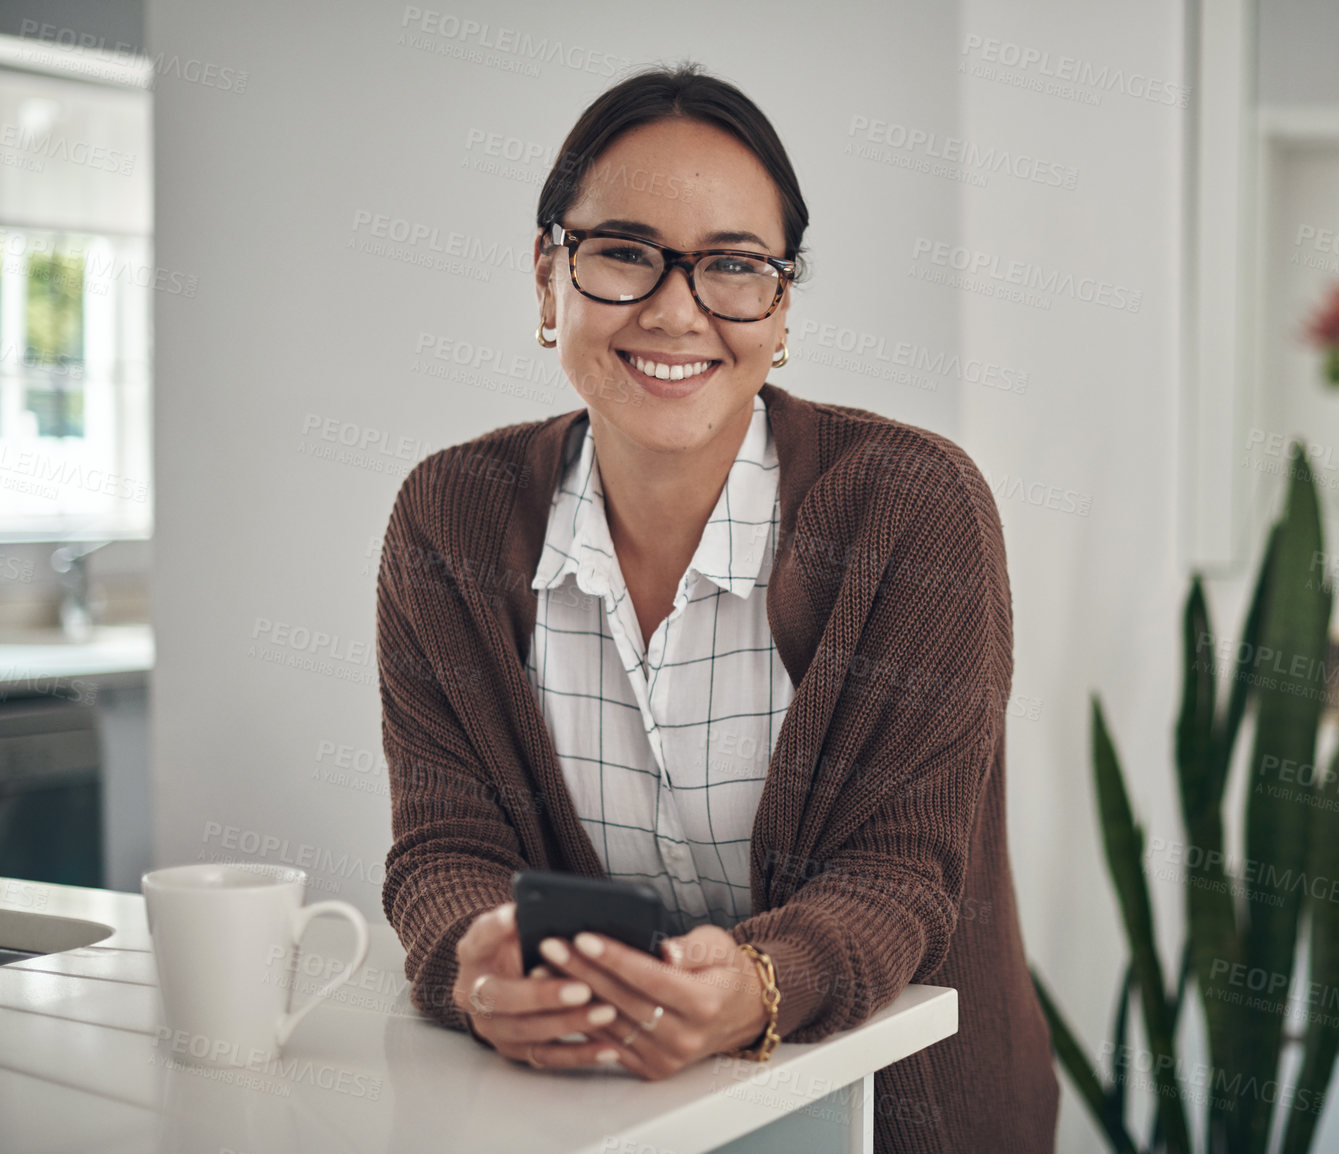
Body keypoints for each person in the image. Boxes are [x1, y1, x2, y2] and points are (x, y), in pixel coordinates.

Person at [375, 61, 1058, 1153]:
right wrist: (471, 960)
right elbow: (445, 847)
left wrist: (757, 986)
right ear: (547, 277)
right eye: (622, 252)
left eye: (733, 266)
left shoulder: (914, 510)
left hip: (896, 1116)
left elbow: (901, 874)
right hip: (598, 1119)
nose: (675, 308)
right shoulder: (447, 519)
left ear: (780, 308)